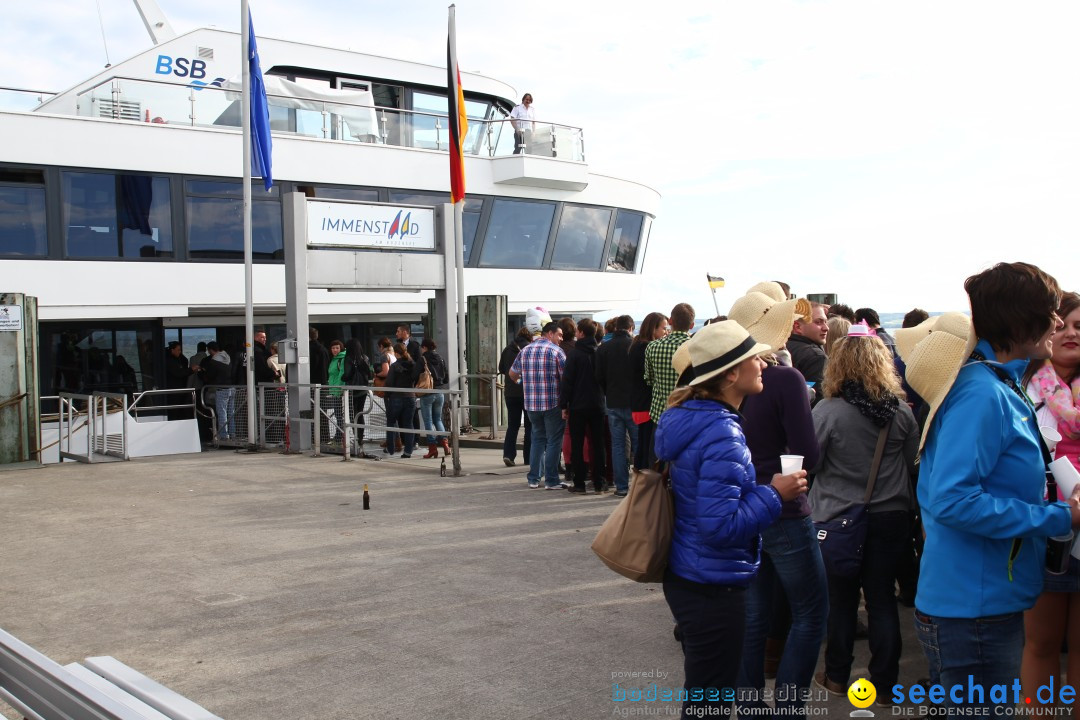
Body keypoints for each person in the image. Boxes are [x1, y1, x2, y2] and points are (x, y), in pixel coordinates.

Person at [899, 262, 1080, 708]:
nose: (1058, 323)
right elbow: (953, 500)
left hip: (982, 603)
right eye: (1051, 312)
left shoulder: (995, 382)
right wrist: (1059, 515)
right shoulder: (982, 393)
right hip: (972, 612)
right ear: (1020, 320)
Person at [654, 320, 808, 716]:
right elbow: (720, 527)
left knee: (706, 694)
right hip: (712, 584)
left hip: (692, 574)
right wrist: (775, 493)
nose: (763, 363)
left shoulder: (693, 418)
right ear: (732, 374)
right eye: (753, 357)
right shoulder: (722, 432)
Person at [727, 289, 825, 718]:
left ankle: (749, 707)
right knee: (810, 612)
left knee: (753, 617)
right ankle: (789, 707)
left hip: (741, 507)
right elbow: (808, 453)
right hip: (784, 509)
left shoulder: (723, 379)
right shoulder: (783, 380)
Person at [809, 323, 919, 700]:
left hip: (839, 516)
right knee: (882, 599)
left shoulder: (828, 411)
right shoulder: (901, 413)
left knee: (841, 601)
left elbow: (812, 463)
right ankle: (885, 685)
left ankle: (837, 676)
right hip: (891, 517)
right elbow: (911, 465)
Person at [1021, 290, 1080, 709]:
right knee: (1041, 643)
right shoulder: (1024, 387)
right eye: (1066, 324)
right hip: (1046, 526)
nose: (1073, 333)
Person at [509, 321, 566, 489]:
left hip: (532, 404)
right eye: (559, 335)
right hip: (552, 403)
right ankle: (551, 480)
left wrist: (522, 382)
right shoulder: (557, 352)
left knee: (537, 440)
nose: (561, 338)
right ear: (550, 334)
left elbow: (512, 374)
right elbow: (566, 379)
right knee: (554, 441)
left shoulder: (525, 350)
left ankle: (533, 478)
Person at [561, 318, 607, 494]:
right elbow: (604, 379)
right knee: (598, 443)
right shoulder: (599, 352)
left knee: (577, 443)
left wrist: (564, 404)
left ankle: (579, 482)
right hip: (597, 403)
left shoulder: (574, 354)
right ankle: (599, 482)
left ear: (580, 333)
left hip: (578, 405)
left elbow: (567, 382)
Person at [596, 314, 637, 497]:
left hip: (612, 401)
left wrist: (607, 391)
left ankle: (621, 487)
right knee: (638, 444)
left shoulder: (604, 348)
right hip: (633, 402)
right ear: (631, 328)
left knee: (618, 445)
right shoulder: (636, 346)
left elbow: (599, 377)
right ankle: (640, 486)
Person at [644, 303, 695, 443]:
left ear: (670, 321)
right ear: (692, 325)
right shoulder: (696, 347)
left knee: (656, 459)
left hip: (660, 413)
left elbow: (649, 379)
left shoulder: (652, 346)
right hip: (688, 415)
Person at [630, 312, 667, 471]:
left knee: (642, 445)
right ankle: (645, 484)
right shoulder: (647, 347)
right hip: (648, 403)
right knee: (647, 448)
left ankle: (640, 483)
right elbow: (649, 378)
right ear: (653, 329)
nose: (666, 332)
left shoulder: (635, 345)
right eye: (664, 328)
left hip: (637, 402)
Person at [500, 327, 533, 467]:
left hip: (511, 393)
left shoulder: (507, 350)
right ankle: (528, 458)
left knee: (512, 426)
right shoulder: (529, 350)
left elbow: (501, 369)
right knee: (529, 426)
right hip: (527, 392)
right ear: (529, 338)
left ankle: (508, 455)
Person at [385, 342, 423, 458]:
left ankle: (391, 449)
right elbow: (416, 379)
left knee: (391, 422)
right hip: (410, 397)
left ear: (396, 353)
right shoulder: (413, 365)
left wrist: (387, 394)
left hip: (396, 397)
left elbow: (389, 383)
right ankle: (408, 451)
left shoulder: (394, 366)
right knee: (408, 424)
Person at [788, 302, 829, 405]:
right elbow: (818, 402)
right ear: (797, 327)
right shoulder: (815, 357)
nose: (826, 328)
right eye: (818, 322)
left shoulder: (780, 348)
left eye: (825, 322)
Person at [419, 338, 450, 459]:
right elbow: (446, 377)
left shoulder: (423, 359)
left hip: (427, 393)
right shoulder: (441, 358)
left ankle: (432, 449)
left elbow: (415, 374)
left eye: (422, 348)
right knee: (438, 419)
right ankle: (446, 446)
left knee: (428, 421)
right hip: (440, 392)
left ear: (425, 347)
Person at [343, 337, 373, 457]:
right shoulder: (365, 357)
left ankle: (354, 437)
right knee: (360, 413)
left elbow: (347, 374)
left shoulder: (349, 358)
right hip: (363, 390)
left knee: (351, 413)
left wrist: (343, 378)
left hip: (352, 390)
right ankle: (360, 438)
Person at [201, 341, 232, 441]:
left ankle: (224, 435)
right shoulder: (227, 357)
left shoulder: (214, 361)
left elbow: (210, 376)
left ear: (210, 350)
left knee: (222, 412)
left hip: (221, 388)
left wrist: (202, 371)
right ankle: (233, 433)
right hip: (232, 387)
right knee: (231, 413)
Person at [326, 339, 348, 444]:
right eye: (333, 348)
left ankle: (339, 437)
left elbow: (341, 375)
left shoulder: (341, 359)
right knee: (338, 414)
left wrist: (339, 390)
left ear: (341, 348)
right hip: (334, 390)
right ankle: (339, 436)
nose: (335, 350)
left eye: (337, 348)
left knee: (339, 415)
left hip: (339, 392)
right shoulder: (334, 359)